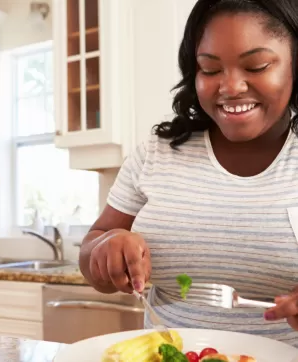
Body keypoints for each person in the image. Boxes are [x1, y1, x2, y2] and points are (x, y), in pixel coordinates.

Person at [79, 0, 298, 347]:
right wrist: (106, 247)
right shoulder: (158, 152)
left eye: (256, 65)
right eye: (210, 70)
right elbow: (95, 246)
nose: (230, 87)